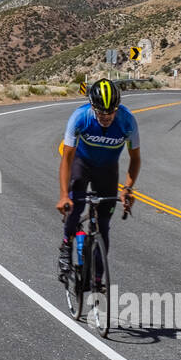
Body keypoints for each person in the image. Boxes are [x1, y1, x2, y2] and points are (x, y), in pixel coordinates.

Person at [56, 78, 140, 290]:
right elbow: (66, 159)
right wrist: (64, 195)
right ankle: (66, 245)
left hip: (108, 169)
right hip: (81, 164)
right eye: (101, 112)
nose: (105, 117)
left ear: (117, 107)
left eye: (110, 112)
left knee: (103, 226)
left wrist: (127, 188)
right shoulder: (80, 118)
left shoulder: (127, 121)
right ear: (92, 107)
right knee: (75, 206)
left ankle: (97, 279)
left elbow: (135, 158)